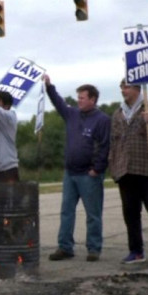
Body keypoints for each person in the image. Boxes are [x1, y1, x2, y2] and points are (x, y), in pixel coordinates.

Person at [44, 74, 110, 262]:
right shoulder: (72, 114)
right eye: (78, 97)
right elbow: (59, 103)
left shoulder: (102, 119)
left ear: (92, 99)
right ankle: (65, 247)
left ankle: (94, 248)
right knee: (66, 211)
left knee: (93, 214)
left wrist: (97, 169)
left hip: (89, 175)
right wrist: (49, 86)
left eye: (82, 98)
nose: (79, 101)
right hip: (70, 173)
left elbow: (105, 145)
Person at [109, 80, 148, 265]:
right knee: (130, 215)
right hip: (125, 171)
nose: (123, 90)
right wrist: (113, 165)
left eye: (126, 87)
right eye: (121, 87)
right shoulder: (118, 113)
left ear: (138, 89)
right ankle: (136, 251)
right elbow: (114, 142)